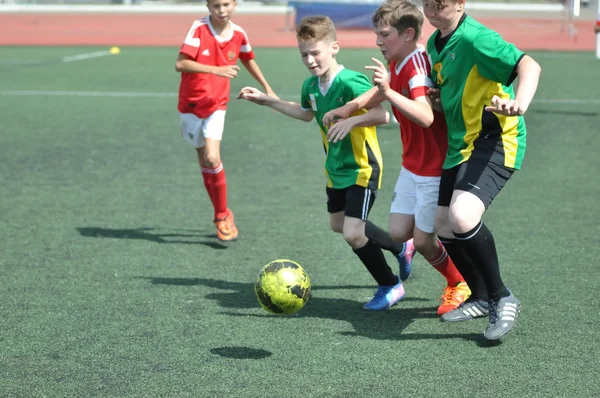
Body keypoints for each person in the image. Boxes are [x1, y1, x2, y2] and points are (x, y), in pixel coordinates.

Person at [237, 15, 413, 310]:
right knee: (338, 224)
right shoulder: (310, 85)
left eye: (315, 52)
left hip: (361, 166)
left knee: (353, 234)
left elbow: (384, 114)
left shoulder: (350, 80)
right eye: (303, 54)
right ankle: (400, 246)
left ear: (334, 48)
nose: (309, 59)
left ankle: (390, 285)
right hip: (335, 169)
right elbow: (306, 113)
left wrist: (351, 122)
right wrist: (266, 100)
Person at [322, 0, 470, 317]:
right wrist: (349, 108)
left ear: (407, 34)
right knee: (399, 233)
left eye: (383, 34)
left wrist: (389, 93)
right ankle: (416, 250)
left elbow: (425, 116)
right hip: (412, 165)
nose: (378, 41)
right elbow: (378, 92)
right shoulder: (399, 61)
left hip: (433, 169)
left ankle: (458, 282)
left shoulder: (416, 66)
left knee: (426, 240)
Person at [423, 0, 541, 340]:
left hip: (496, 137)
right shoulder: (436, 42)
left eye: (440, 4)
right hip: (462, 144)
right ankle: (480, 294)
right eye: (427, 3)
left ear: (460, 4)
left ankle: (502, 296)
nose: (432, 10)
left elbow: (529, 65)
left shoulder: (476, 38)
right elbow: (455, 89)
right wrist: (436, 97)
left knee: (462, 216)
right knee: (442, 225)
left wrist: (519, 103)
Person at [176, 0, 277, 242]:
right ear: (208, 7)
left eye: (226, 4)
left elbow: (248, 58)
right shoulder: (199, 29)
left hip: (217, 104)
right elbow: (181, 63)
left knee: (212, 157)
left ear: (235, 4)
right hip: (191, 103)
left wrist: (268, 89)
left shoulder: (239, 33)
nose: (221, 10)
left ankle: (222, 215)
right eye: (215, 6)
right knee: (204, 161)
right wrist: (216, 69)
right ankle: (219, 211)